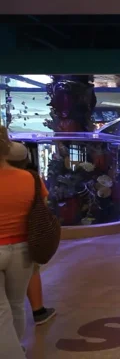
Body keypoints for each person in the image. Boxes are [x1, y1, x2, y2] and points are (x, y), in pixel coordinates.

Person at [0, 127, 49, 358]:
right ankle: (16, 346)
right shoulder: (30, 179)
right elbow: (42, 213)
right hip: (22, 250)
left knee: (1, 312)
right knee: (16, 304)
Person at [6, 142, 57, 326]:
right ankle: (38, 310)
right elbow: (43, 205)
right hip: (22, 241)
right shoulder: (31, 178)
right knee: (18, 302)